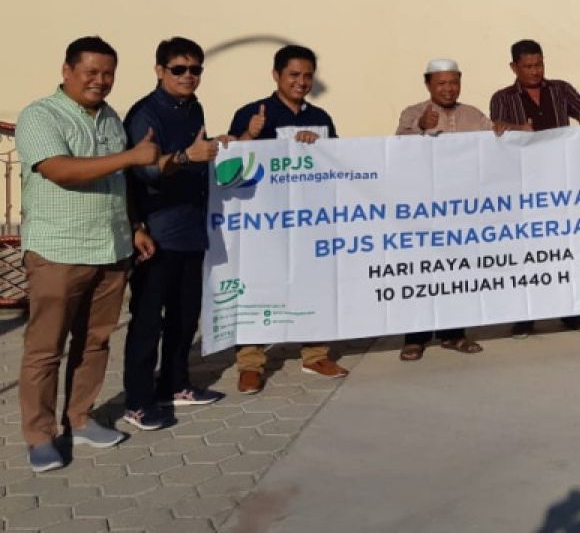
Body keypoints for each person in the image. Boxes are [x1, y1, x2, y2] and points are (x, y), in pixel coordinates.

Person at [15, 36, 158, 472]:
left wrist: (134, 227)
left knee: (95, 342)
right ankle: (40, 435)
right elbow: (59, 170)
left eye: (107, 73)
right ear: (67, 71)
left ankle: (80, 416)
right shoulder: (40, 115)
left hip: (110, 248)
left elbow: (120, 182)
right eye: (90, 72)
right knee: (45, 349)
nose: (100, 81)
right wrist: (130, 157)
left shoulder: (111, 118)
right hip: (58, 250)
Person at [227, 44, 349, 394]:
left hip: (310, 221)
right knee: (258, 288)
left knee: (314, 286)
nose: (301, 82)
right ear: (276, 76)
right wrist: (250, 135)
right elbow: (230, 165)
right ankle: (250, 363)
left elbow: (336, 163)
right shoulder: (253, 113)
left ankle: (315, 355)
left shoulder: (321, 118)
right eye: (293, 75)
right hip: (262, 223)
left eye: (307, 75)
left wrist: (320, 147)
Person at [121, 37, 228, 432]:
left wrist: (221, 147)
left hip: (192, 229)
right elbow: (144, 170)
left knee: (185, 317)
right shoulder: (145, 113)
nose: (188, 76)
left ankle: (175, 383)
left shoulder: (193, 107)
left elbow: (198, 153)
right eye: (179, 69)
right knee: (148, 320)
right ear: (159, 70)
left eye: (195, 69)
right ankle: (137, 401)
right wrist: (186, 157)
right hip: (157, 234)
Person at [489, 39, 580, 337]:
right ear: (514, 67)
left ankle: (572, 313)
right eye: (527, 66)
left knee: (566, 249)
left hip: (561, 183)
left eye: (539, 64)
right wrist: (512, 129)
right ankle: (526, 317)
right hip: (523, 187)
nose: (535, 71)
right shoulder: (502, 97)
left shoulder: (560, 89)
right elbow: (497, 130)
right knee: (528, 252)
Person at [396, 58, 489, 360]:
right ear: (428, 84)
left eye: (453, 82)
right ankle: (415, 338)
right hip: (423, 211)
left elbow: (494, 148)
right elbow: (398, 150)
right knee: (423, 272)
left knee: (458, 272)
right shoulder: (412, 113)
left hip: (463, 210)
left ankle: (455, 334)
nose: (449, 89)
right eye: (442, 83)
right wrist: (419, 129)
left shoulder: (473, 115)